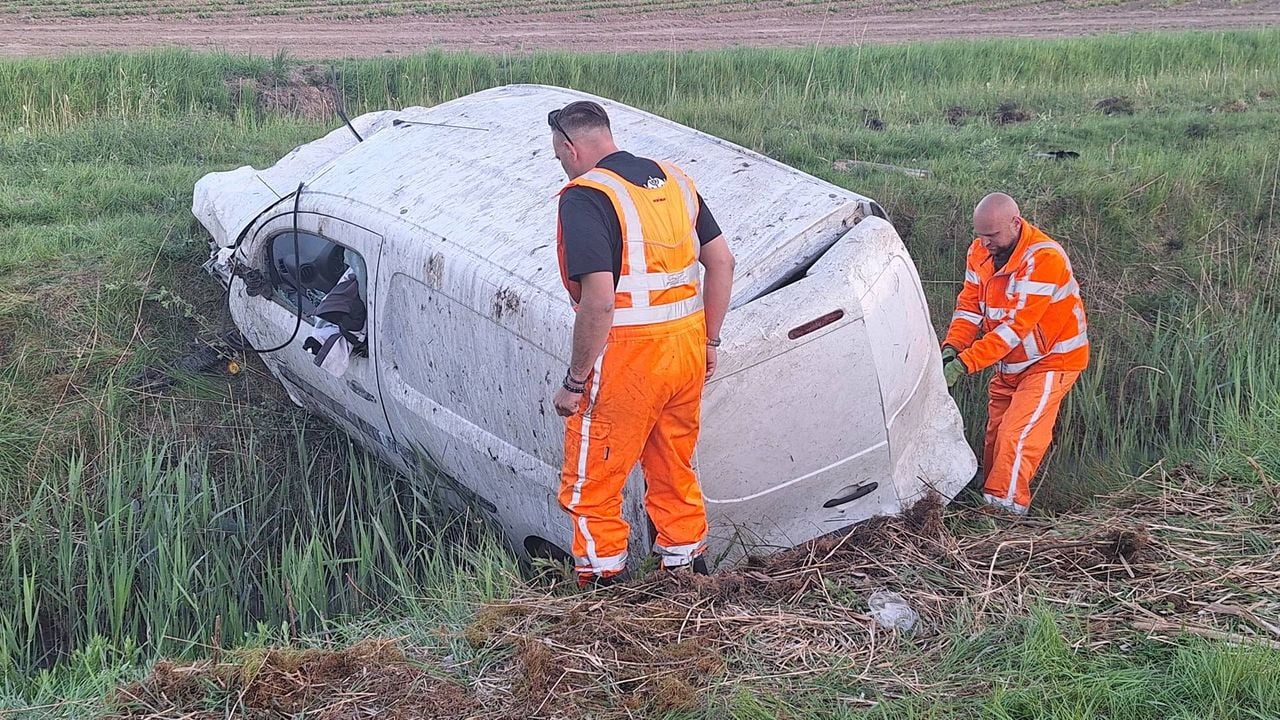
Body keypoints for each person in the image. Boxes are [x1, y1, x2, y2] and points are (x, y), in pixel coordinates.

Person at [547, 100, 736, 587]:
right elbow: (722, 263)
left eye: (558, 156)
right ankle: (687, 575)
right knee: (674, 468)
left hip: (627, 361)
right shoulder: (675, 179)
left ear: (570, 146)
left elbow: (600, 302)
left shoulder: (584, 196)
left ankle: (602, 595)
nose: (562, 165)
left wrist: (575, 380)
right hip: (687, 350)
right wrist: (710, 340)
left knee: (591, 486)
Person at [941, 193, 1089, 515]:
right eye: (980, 235)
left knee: (1016, 437)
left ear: (1015, 223)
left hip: (1052, 361)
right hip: (1011, 364)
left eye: (992, 235)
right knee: (994, 439)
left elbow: (1013, 329)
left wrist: (964, 364)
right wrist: (951, 349)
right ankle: (988, 500)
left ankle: (1002, 516)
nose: (985, 243)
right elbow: (969, 309)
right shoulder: (980, 252)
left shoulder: (1044, 258)